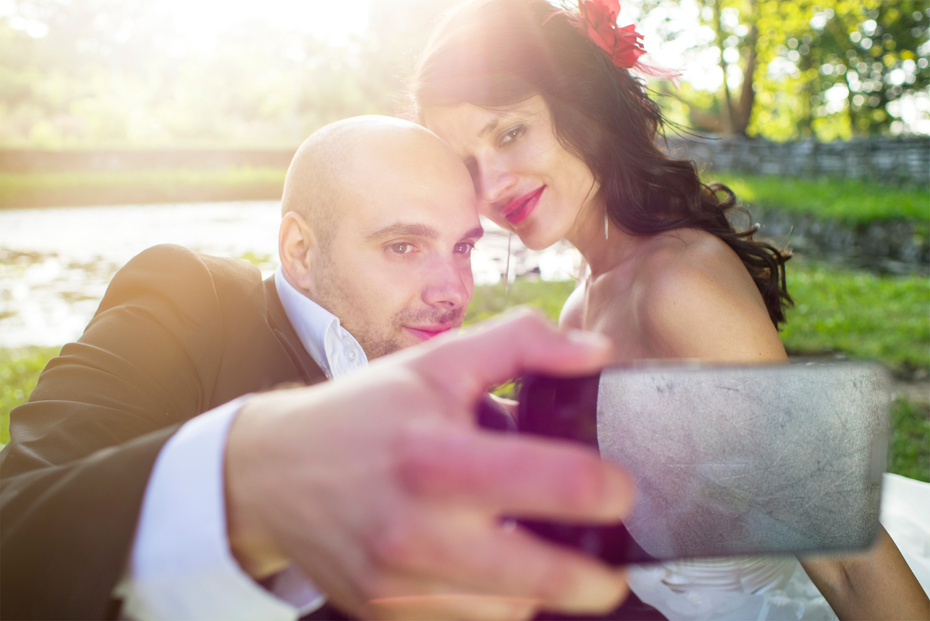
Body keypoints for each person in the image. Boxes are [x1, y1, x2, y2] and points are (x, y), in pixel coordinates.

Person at [0, 116, 637, 620]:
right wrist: (245, 487)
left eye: (463, 247)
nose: (452, 290)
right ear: (300, 250)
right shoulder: (192, 300)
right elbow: (16, 527)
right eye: (402, 246)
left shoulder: (461, 406)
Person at [412, 0, 930, 619]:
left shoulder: (676, 284)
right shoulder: (588, 292)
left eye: (509, 131)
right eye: (466, 163)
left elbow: (850, 565)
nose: (491, 185)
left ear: (585, 106)